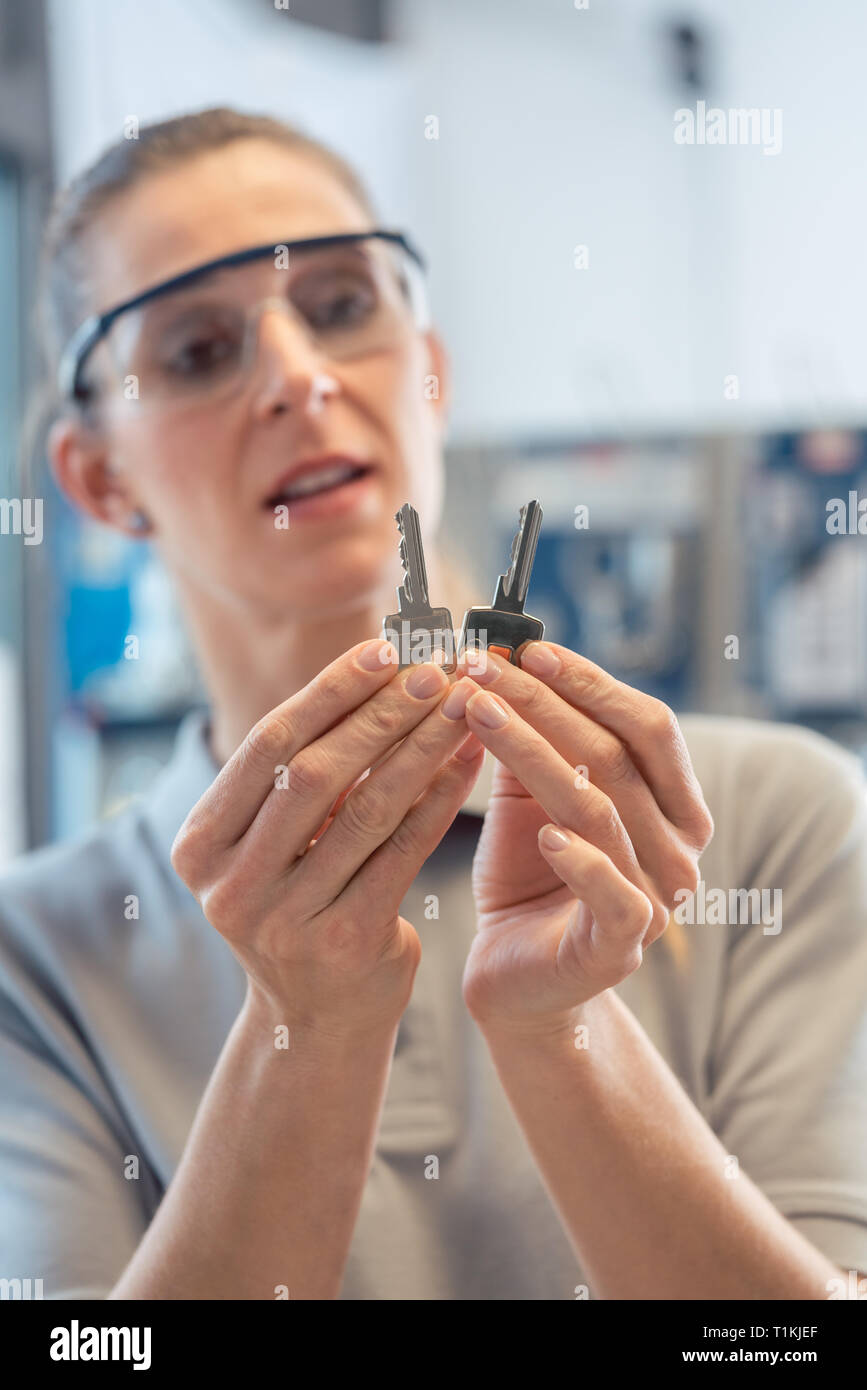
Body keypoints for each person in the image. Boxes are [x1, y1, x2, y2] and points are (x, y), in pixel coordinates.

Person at [1, 106, 866, 1301]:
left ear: (433, 370)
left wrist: (560, 1033)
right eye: (199, 352)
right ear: (99, 478)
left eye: (344, 306)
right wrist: (304, 1033)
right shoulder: (36, 962)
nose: (299, 378)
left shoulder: (775, 818)